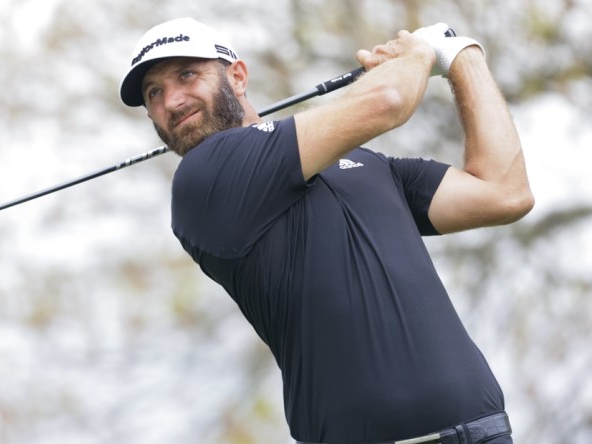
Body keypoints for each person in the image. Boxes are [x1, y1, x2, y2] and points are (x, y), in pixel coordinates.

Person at [119, 17, 533, 444]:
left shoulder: (369, 164)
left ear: (237, 77)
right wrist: (421, 53)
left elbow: (505, 192)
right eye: (154, 93)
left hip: (484, 433)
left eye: (187, 74)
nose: (172, 100)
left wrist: (463, 55)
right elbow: (389, 98)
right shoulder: (203, 177)